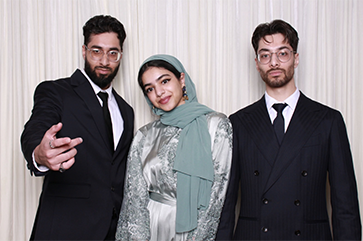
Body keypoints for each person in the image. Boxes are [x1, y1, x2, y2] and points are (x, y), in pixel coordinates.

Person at [216, 19, 361, 240]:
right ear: (257, 63)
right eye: (265, 55)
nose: (274, 62)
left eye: (282, 53)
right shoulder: (238, 122)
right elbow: (226, 204)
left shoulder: (328, 120)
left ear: (296, 58)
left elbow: (345, 205)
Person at [20, 15, 134, 241]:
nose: (104, 60)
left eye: (113, 53)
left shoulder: (126, 110)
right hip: (65, 227)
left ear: (120, 55)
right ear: (84, 51)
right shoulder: (56, 92)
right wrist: (40, 154)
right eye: (96, 51)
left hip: (112, 231)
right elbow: (37, 129)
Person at [115, 54, 232, 240]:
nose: (159, 92)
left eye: (165, 81)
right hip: (152, 226)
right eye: (150, 89)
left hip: (192, 231)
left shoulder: (216, 125)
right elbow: (134, 201)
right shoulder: (144, 136)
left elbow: (215, 198)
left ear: (182, 79)